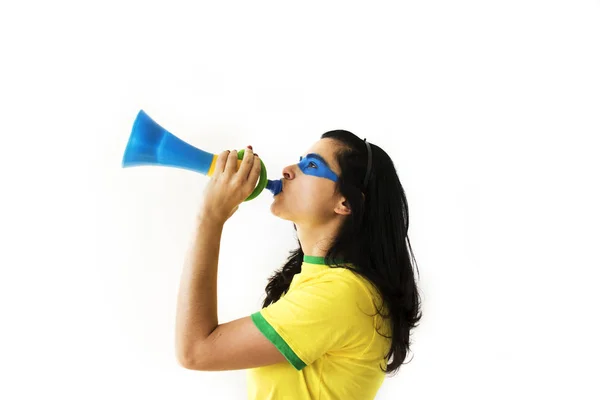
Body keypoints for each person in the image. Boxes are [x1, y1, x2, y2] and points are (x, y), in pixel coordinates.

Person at [175, 130, 423, 400]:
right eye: (300, 160)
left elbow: (196, 351)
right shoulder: (323, 280)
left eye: (312, 166)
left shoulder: (341, 293)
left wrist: (210, 218)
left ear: (346, 203)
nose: (288, 170)